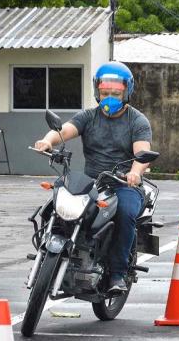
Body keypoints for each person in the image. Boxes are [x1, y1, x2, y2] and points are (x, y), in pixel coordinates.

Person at [34, 61, 153, 293]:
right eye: (105, 92)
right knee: (54, 204)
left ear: (127, 91)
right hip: (92, 182)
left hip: (123, 183)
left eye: (116, 93)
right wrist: (48, 141)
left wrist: (135, 172)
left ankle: (117, 274)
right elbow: (64, 130)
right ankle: (49, 252)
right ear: (97, 91)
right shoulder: (89, 116)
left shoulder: (137, 121)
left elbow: (142, 153)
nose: (109, 97)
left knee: (126, 214)